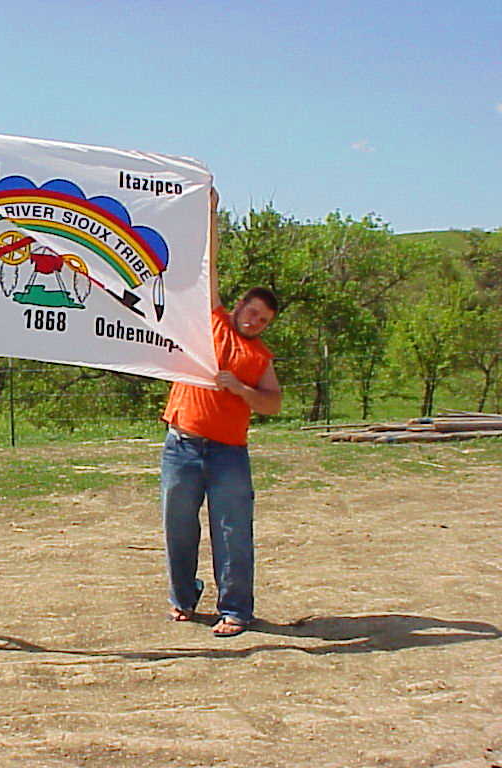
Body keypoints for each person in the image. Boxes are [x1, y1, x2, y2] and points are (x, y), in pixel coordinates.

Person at [160, 188, 282, 638]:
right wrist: (209, 212)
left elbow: (273, 402)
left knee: (232, 533)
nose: (253, 322)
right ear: (238, 307)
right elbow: (206, 263)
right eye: (251, 313)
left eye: (263, 320)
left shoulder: (260, 357)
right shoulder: (208, 320)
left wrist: (244, 389)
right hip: (182, 444)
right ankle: (182, 598)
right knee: (178, 527)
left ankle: (235, 609)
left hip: (229, 453)